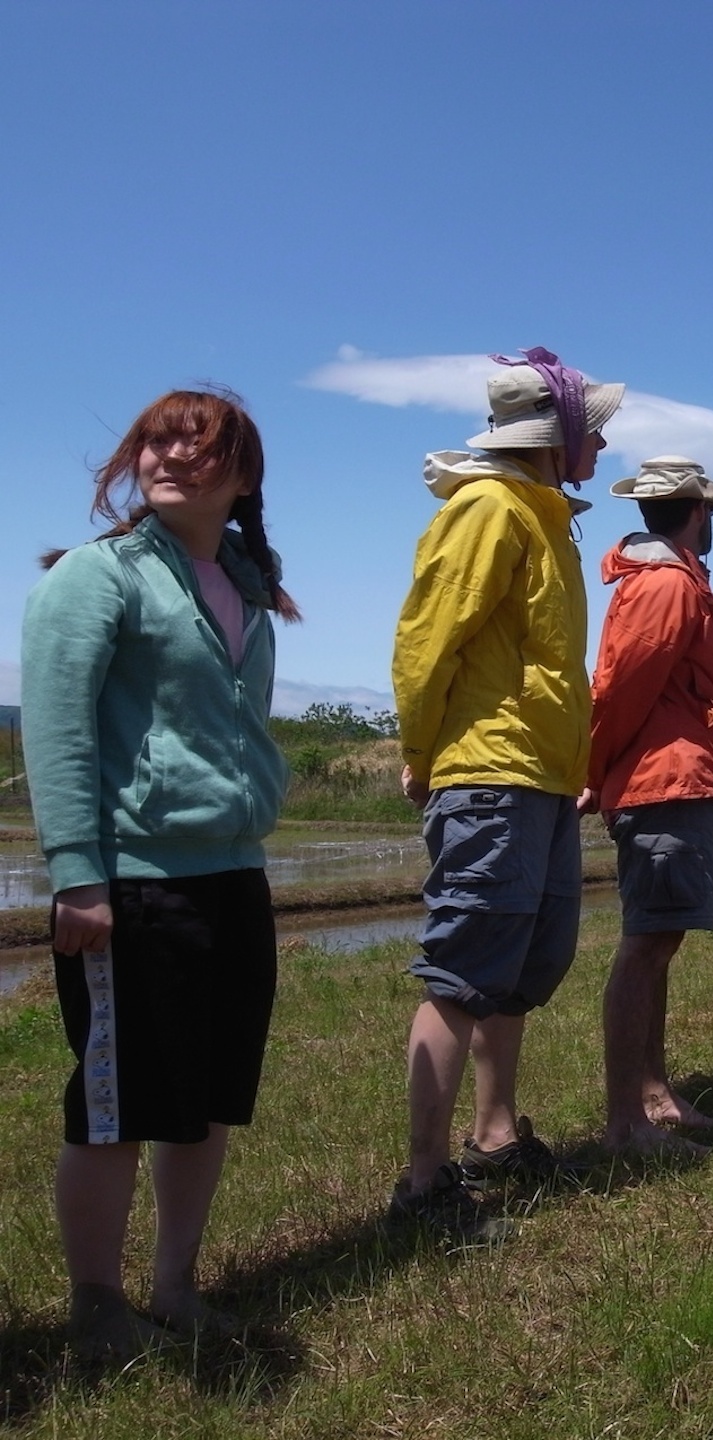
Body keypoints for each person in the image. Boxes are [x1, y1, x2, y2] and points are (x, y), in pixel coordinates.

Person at [22, 388, 296, 1359]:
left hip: (234, 876)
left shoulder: (246, 587)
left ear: (243, 475)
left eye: (199, 445)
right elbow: (55, 731)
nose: (169, 458)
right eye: (156, 442)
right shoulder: (98, 578)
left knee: (208, 1096)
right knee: (117, 1106)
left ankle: (176, 1285)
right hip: (133, 884)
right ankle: (97, 1307)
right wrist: (77, 877)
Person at [391, 349, 624, 1229]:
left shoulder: (541, 516)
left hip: (539, 778)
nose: (601, 445)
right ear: (555, 434)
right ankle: (421, 1184)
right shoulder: (489, 511)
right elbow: (426, 641)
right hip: (491, 774)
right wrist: (423, 752)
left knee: (522, 970)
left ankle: (492, 1138)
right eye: (592, 429)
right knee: (461, 972)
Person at [589, 456, 713, 1159]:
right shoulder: (670, 587)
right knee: (646, 946)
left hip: (677, 776)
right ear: (696, 511)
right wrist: (593, 769)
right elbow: (620, 689)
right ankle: (627, 1122)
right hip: (663, 781)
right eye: (712, 511)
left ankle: (654, 1094)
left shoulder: (676, 581)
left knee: (660, 943)